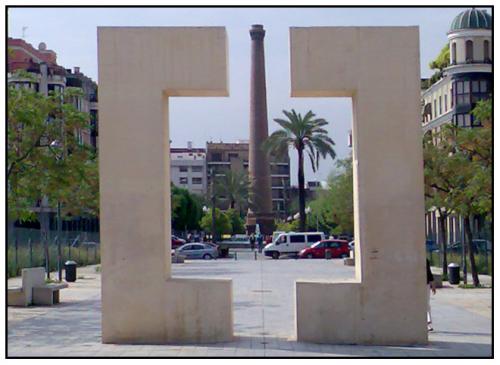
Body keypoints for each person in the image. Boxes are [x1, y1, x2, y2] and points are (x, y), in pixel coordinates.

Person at [426, 258, 437, 331]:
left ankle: (428, 323)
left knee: (426, 304)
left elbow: (429, 273)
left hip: (425, 284)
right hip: (417, 285)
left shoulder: (425, 260)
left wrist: (432, 285)